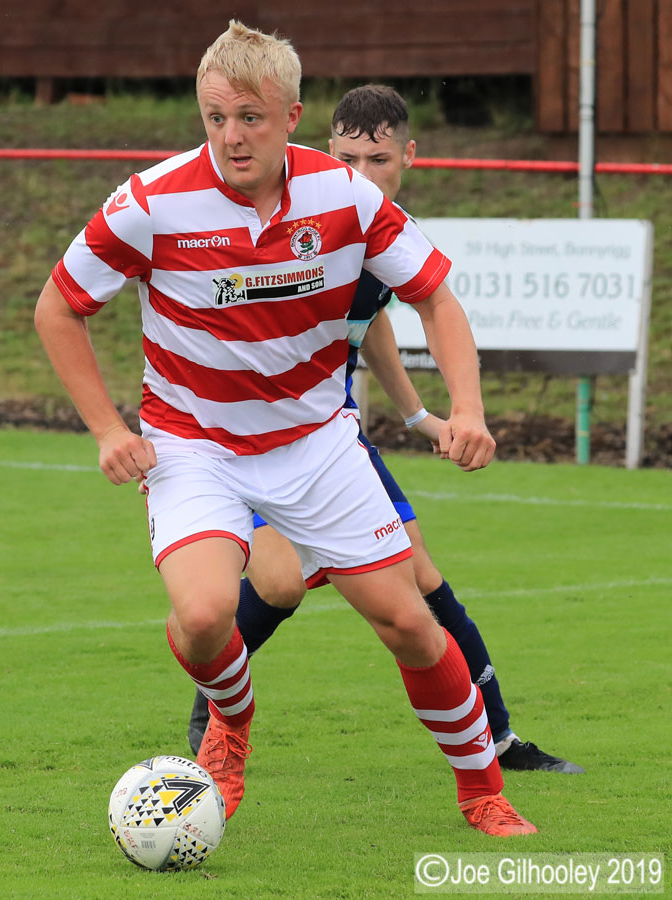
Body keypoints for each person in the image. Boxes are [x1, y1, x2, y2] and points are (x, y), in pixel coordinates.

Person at [35, 21, 538, 836]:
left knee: (409, 620)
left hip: (315, 443)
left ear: (291, 115)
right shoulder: (151, 201)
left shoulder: (343, 196)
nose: (230, 136)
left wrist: (466, 408)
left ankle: (481, 789)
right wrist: (104, 429)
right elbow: (59, 306)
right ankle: (230, 722)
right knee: (202, 618)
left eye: (249, 117)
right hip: (194, 446)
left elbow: (435, 297)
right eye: (214, 117)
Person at [186, 84, 584, 776]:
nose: (359, 175)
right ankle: (211, 712)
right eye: (345, 158)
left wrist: (420, 414)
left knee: (416, 573)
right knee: (278, 584)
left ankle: (495, 742)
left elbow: (369, 323)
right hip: (242, 434)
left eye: (376, 160)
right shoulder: (292, 219)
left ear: (408, 157)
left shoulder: (382, 230)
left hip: (324, 434)